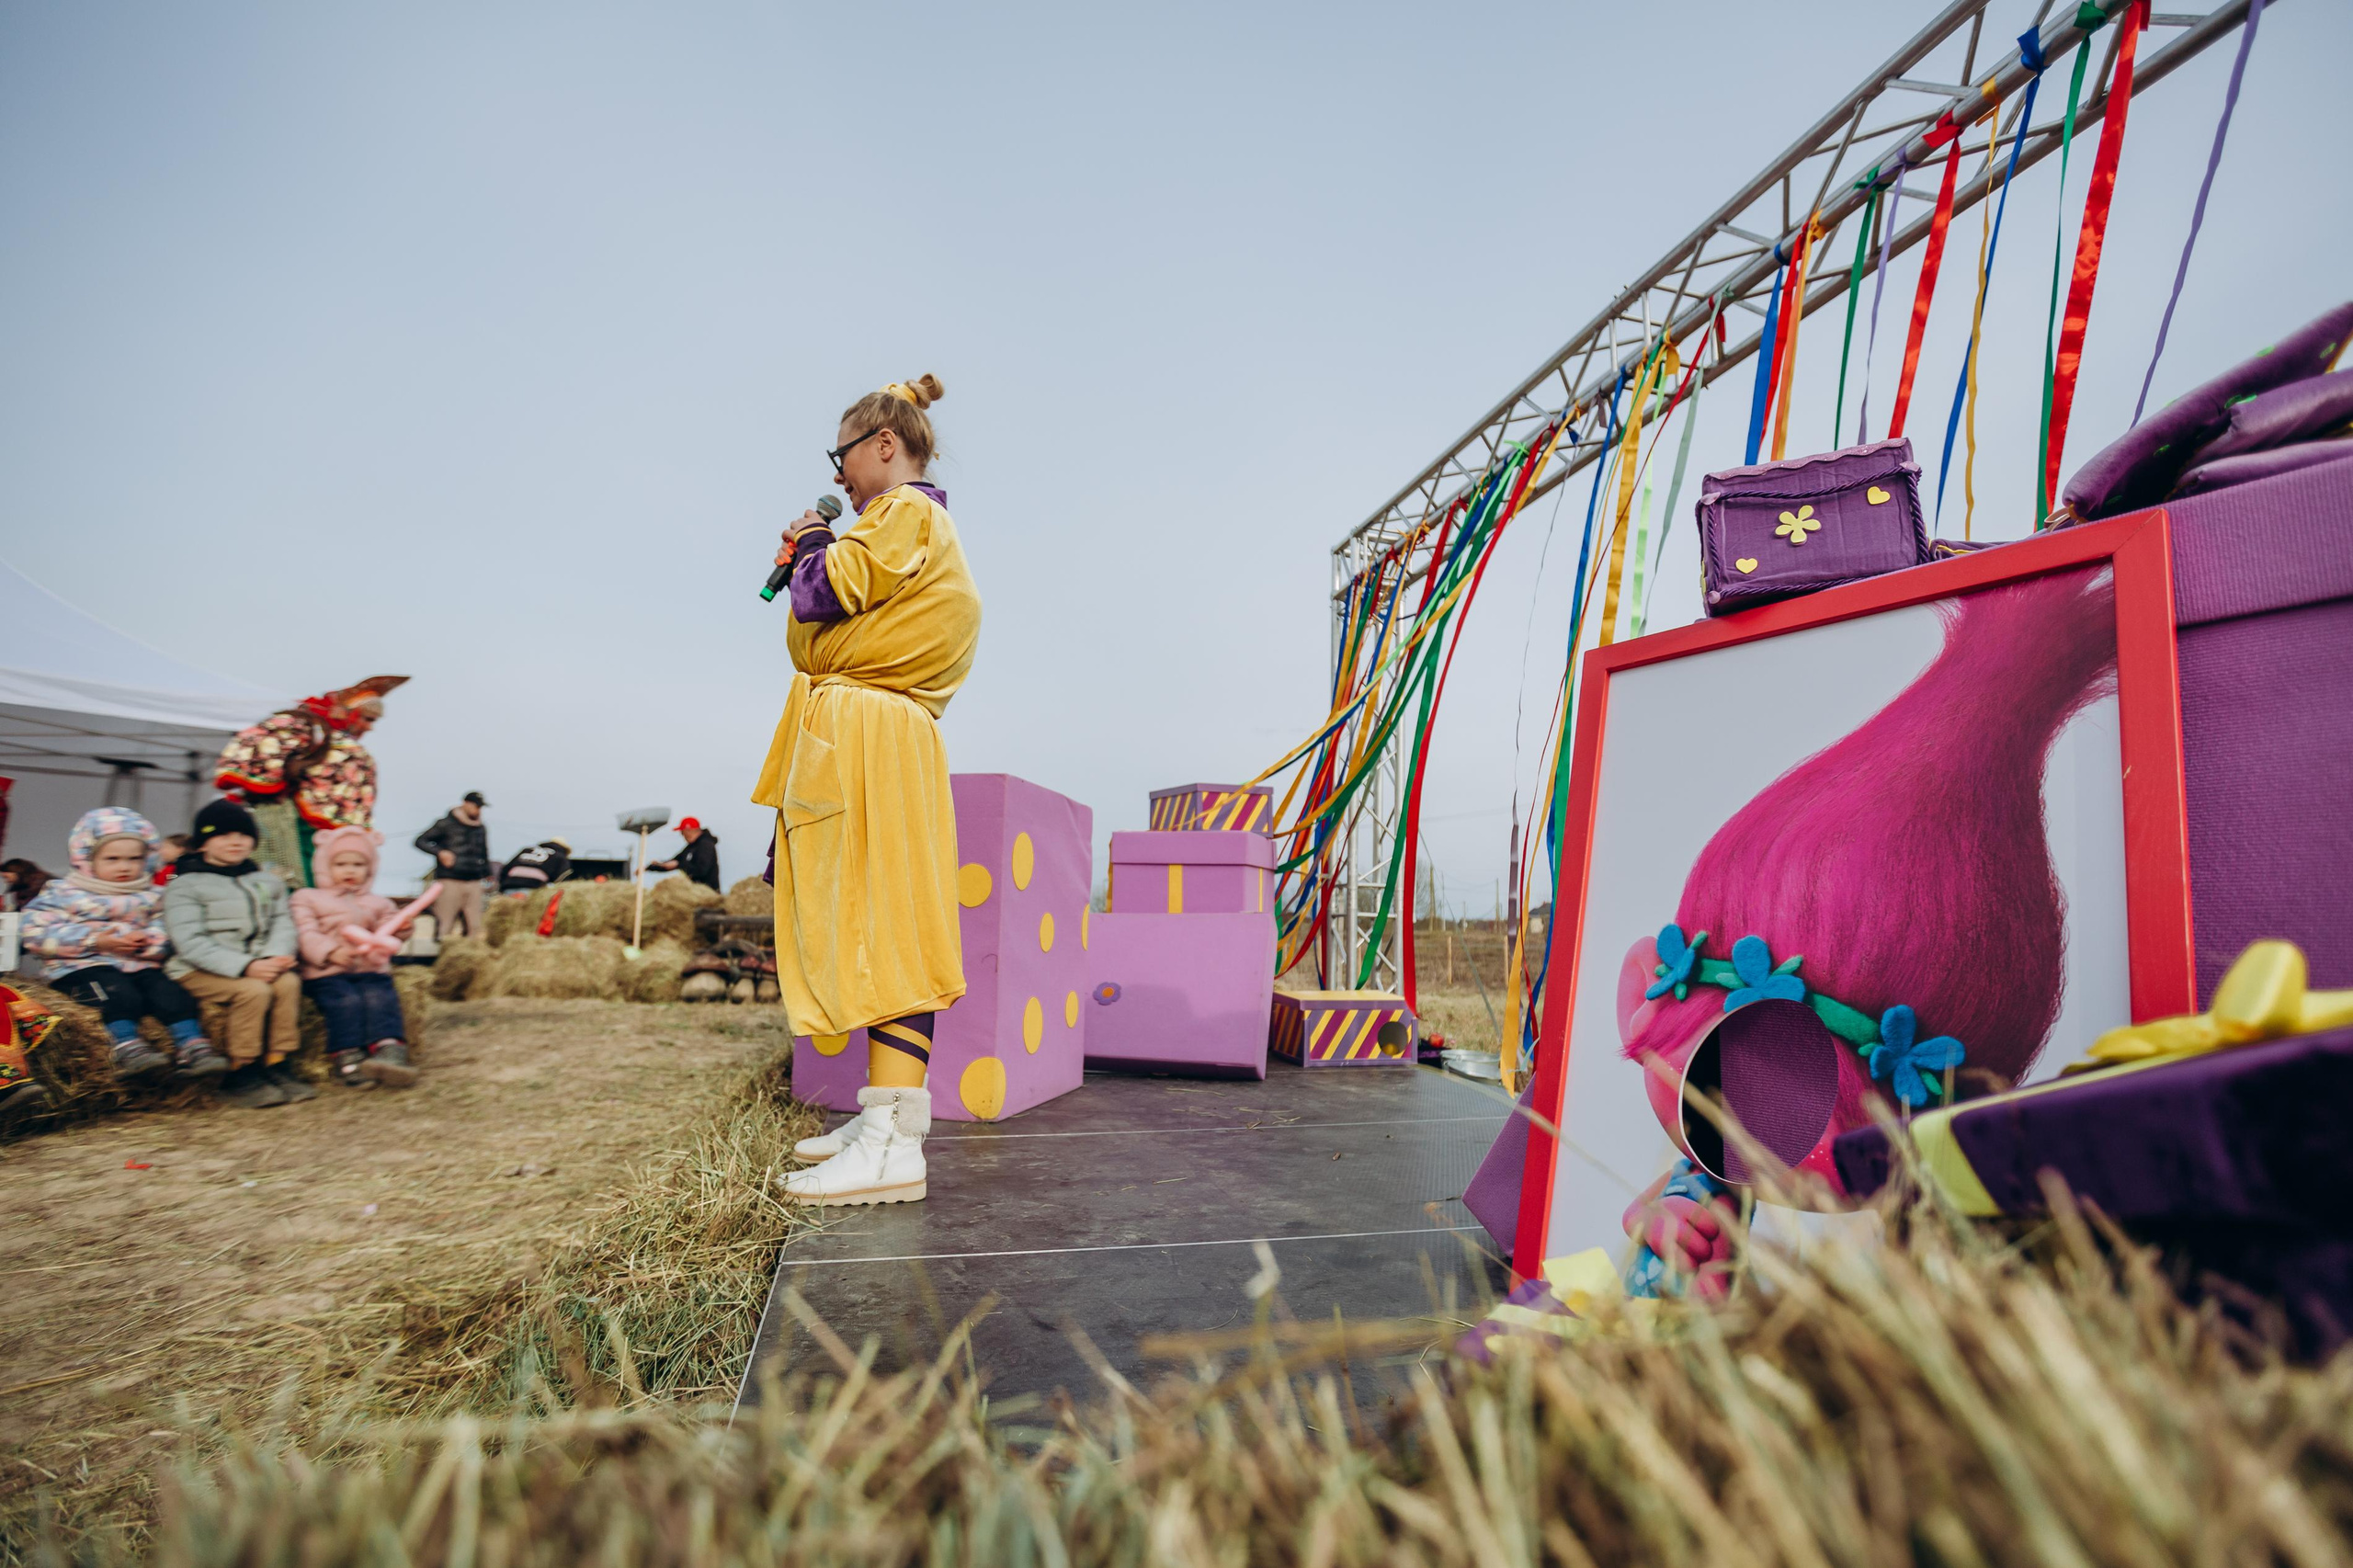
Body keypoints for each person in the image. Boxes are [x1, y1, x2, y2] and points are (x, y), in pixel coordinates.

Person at [756, 373, 980, 1207]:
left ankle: (890, 1145)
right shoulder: (902, 523)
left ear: (884, 445)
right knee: (873, 920)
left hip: (871, 740)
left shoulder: (905, 513)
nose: (839, 475)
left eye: (841, 456)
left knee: (887, 926)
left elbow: (821, 593)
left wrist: (813, 540)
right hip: (863, 734)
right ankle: (891, 1119)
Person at [18, 808, 227, 1082]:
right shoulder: (63, 893)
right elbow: (33, 930)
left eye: (134, 859)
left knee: (172, 993)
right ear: (87, 859)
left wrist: (148, 943)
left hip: (138, 962)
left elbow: (169, 926)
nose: (124, 866)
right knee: (119, 995)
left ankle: (192, 1044)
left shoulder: (153, 895)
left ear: (149, 858)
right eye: (112, 859)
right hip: (83, 967)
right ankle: (126, 1047)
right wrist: (96, 940)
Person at [163, 799, 308, 1109]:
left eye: (243, 835)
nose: (235, 841)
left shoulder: (267, 882)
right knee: (253, 992)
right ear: (202, 843)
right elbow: (189, 941)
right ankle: (241, 1071)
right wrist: (246, 967)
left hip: (257, 961)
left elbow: (282, 923)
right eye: (223, 835)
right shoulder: (184, 885)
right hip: (197, 968)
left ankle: (278, 1061)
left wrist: (274, 957)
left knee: (288, 984)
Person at [215, 676, 407, 887]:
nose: (369, 728)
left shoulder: (334, 739)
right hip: (291, 821)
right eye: (367, 719)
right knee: (291, 878)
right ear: (349, 713)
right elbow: (260, 752)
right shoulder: (305, 726)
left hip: (327, 830)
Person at [291, 827, 420, 1090]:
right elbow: (305, 932)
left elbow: (389, 927)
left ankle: (389, 1049)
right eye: (341, 864)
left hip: (370, 969)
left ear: (370, 868)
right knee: (345, 1001)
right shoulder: (308, 898)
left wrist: (402, 928)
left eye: (358, 864)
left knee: (381, 997)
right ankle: (348, 1055)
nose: (350, 871)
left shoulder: (378, 903)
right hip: (327, 971)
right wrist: (330, 952)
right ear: (325, 865)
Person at [414, 792, 493, 936]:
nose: (478, 811)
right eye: (476, 806)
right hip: (450, 879)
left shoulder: (480, 828)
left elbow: (484, 852)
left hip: (474, 880)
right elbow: (420, 841)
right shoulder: (445, 824)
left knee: (475, 926)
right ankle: (442, 953)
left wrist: (488, 874)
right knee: (445, 923)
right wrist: (440, 852)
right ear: (466, 804)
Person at [646, 818, 720, 891]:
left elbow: (701, 870)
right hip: (693, 894)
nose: (682, 835)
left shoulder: (706, 845)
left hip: (707, 895)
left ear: (689, 830)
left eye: (682, 832)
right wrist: (652, 867)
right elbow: (674, 862)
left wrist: (679, 865)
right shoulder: (691, 847)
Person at [499, 837, 573, 892]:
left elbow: (505, 869)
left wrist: (502, 885)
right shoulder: (560, 856)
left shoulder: (527, 850)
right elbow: (562, 879)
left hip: (509, 885)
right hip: (533, 887)